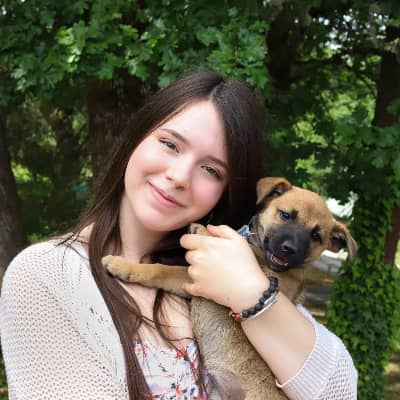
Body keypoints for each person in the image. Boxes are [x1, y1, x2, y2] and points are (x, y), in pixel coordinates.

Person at [0, 71, 357, 399]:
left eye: (211, 169)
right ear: (136, 136)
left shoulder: (225, 269)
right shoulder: (45, 275)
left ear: (225, 191)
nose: (179, 176)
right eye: (170, 144)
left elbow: (339, 391)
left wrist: (253, 294)